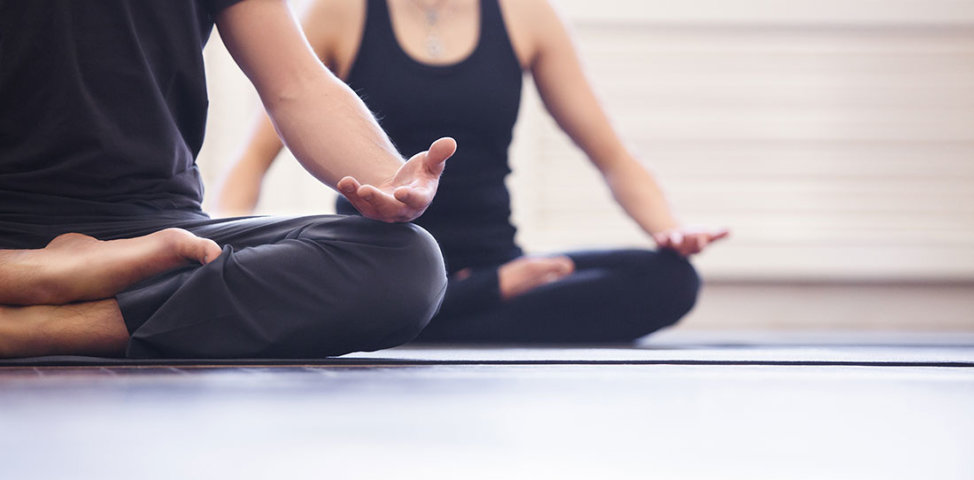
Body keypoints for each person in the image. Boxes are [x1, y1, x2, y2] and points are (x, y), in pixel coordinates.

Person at [217, 0, 729, 343]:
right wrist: (224, 260)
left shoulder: (526, 15)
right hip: (381, 267)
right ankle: (467, 304)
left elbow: (612, 156)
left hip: (494, 260)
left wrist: (667, 229)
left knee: (670, 280)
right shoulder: (341, 12)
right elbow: (252, 162)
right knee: (377, 289)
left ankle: (438, 315)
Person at [0, 0, 459, 359]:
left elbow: (296, 84)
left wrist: (386, 176)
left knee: (403, 264)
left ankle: (30, 327)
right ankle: (38, 276)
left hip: (156, 241)